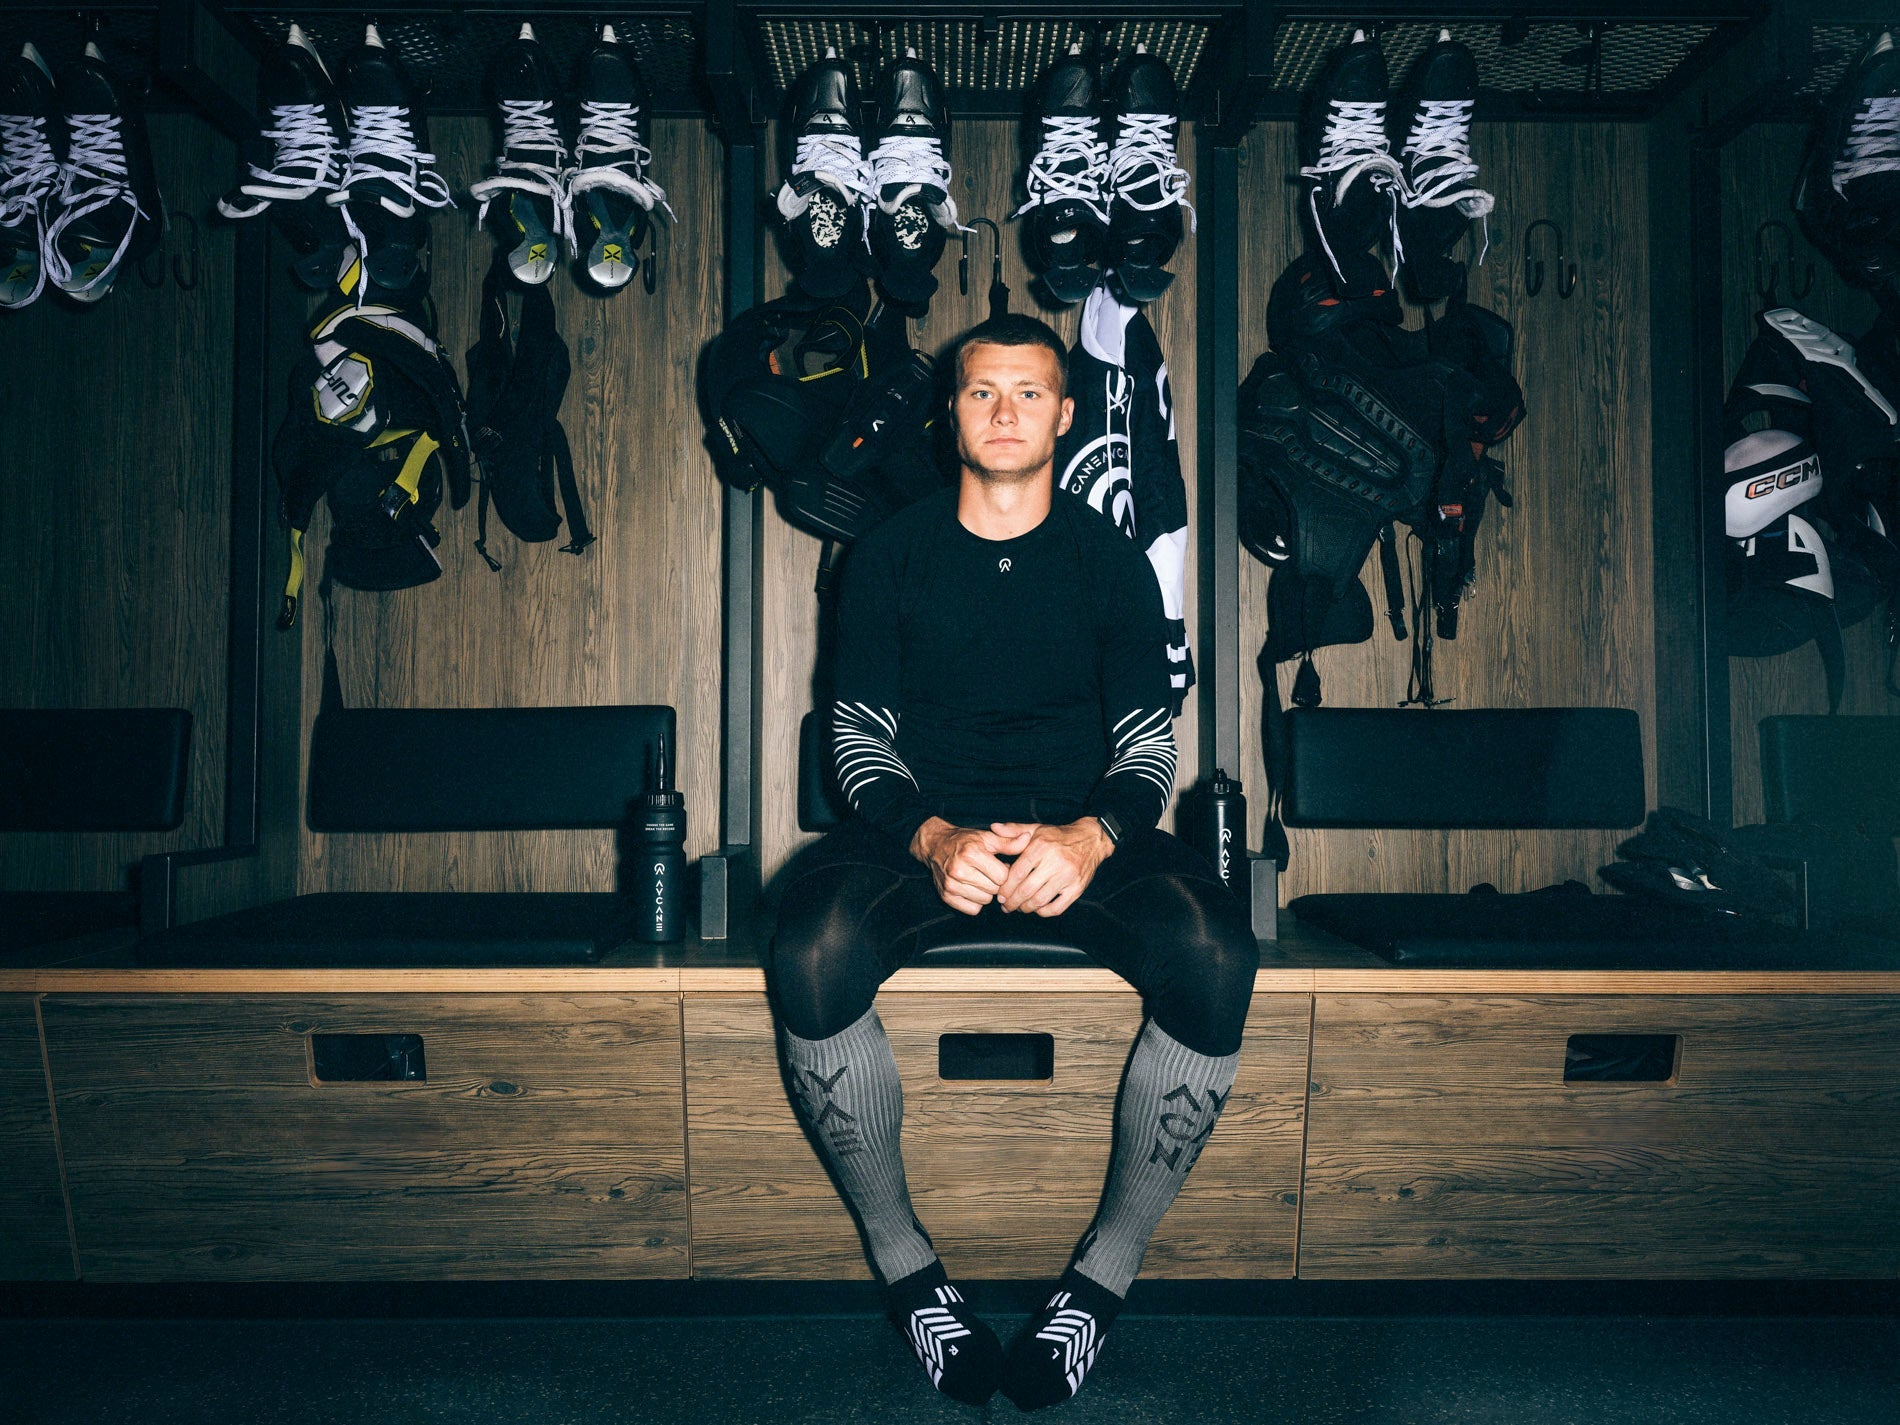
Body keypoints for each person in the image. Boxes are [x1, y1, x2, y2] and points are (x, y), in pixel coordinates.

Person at [770, 312, 1258, 1410]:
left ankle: (1101, 1280)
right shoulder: (887, 554)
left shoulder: (1111, 560)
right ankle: (908, 1275)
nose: (1003, 412)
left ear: (1065, 413)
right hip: (918, 832)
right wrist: (930, 835)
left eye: (1027, 393)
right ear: (950, 413)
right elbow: (854, 737)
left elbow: (1147, 744)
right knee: (810, 949)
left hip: (1075, 832)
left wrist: (1090, 838)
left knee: (1215, 953)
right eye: (981, 391)